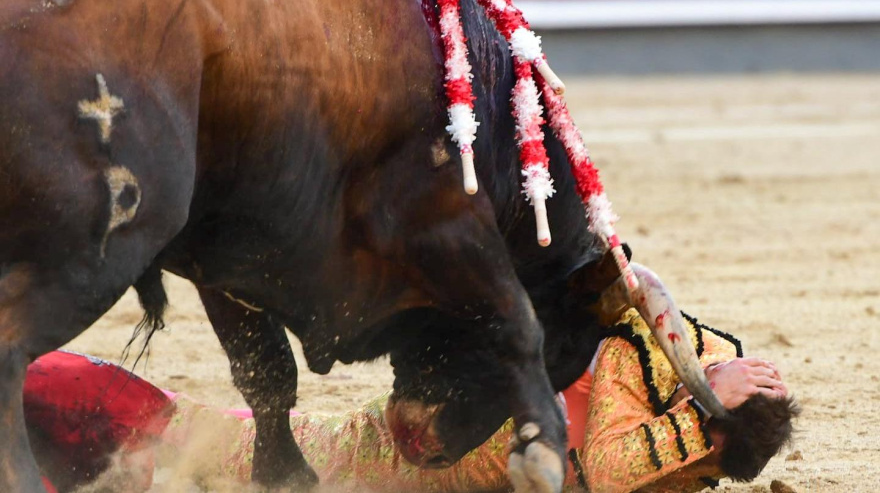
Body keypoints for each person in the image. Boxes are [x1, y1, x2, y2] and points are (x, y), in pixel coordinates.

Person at [25, 308, 798, 493]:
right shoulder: (640, 368)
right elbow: (616, 461)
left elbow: (616, 463)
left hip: (387, 458)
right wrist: (706, 393)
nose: (689, 480)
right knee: (189, 442)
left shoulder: (645, 393)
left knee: (183, 444)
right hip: (381, 455)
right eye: (701, 469)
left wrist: (705, 402)